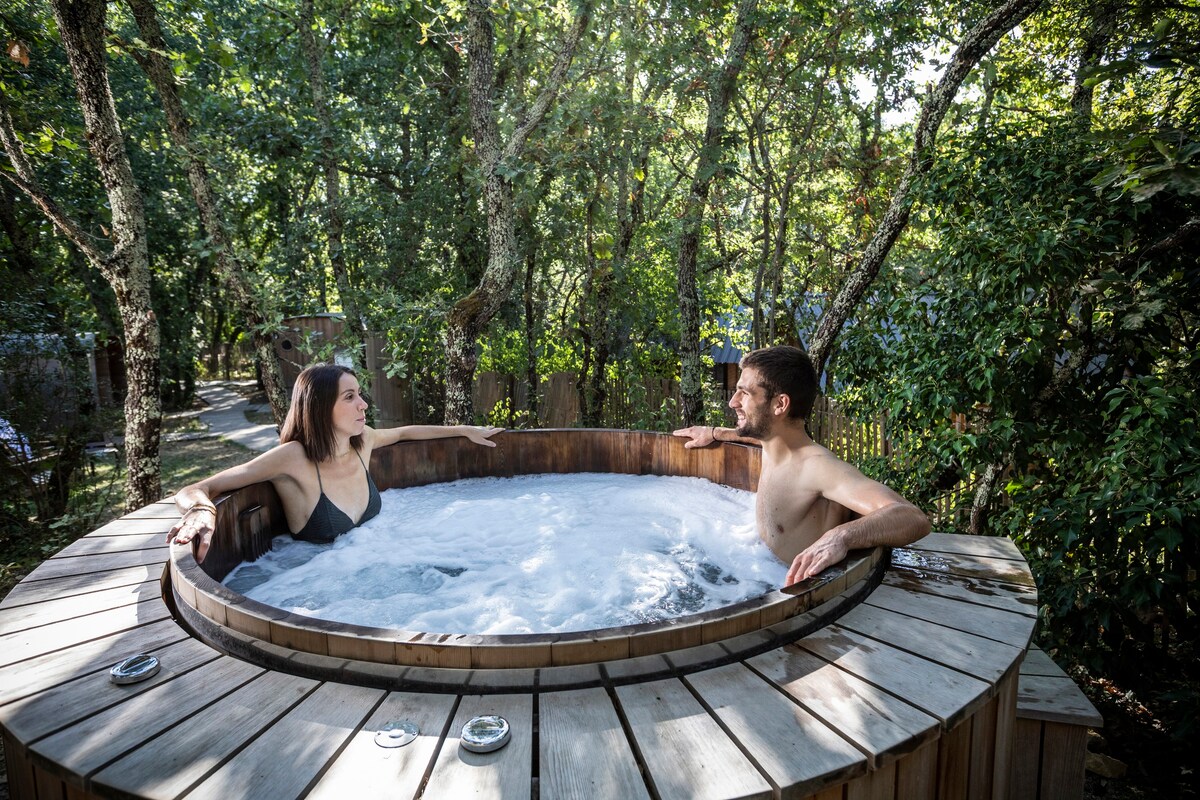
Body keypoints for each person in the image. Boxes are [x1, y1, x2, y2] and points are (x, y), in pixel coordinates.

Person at [169, 363, 502, 563]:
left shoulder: (362, 441)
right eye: (350, 397)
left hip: (386, 561)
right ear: (319, 407)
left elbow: (403, 434)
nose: (363, 405)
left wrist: (463, 430)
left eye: (360, 394)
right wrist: (202, 510)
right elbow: (198, 488)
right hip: (313, 586)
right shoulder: (292, 459)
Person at [673, 345, 929, 586]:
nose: (733, 401)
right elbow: (753, 434)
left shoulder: (816, 467)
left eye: (746, 393)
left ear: (780, 405)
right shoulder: (771, 442)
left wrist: (839, 537)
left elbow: (913, 517)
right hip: (757, 571)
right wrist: (715, 432)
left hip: (794, 590)